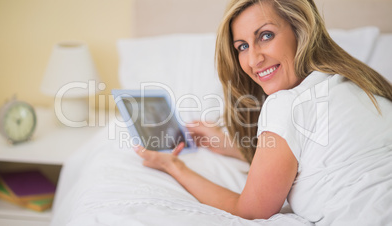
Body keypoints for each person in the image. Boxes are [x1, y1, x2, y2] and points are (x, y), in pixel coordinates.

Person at [134, 0, 392, 224]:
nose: (254, 59)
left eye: (266, 35)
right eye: (242, 46)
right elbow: (319, 155)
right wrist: (232, 145)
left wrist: (174, 167)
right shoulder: (362, 84)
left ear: (300, 29)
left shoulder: (285, 104)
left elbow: (249, 211)